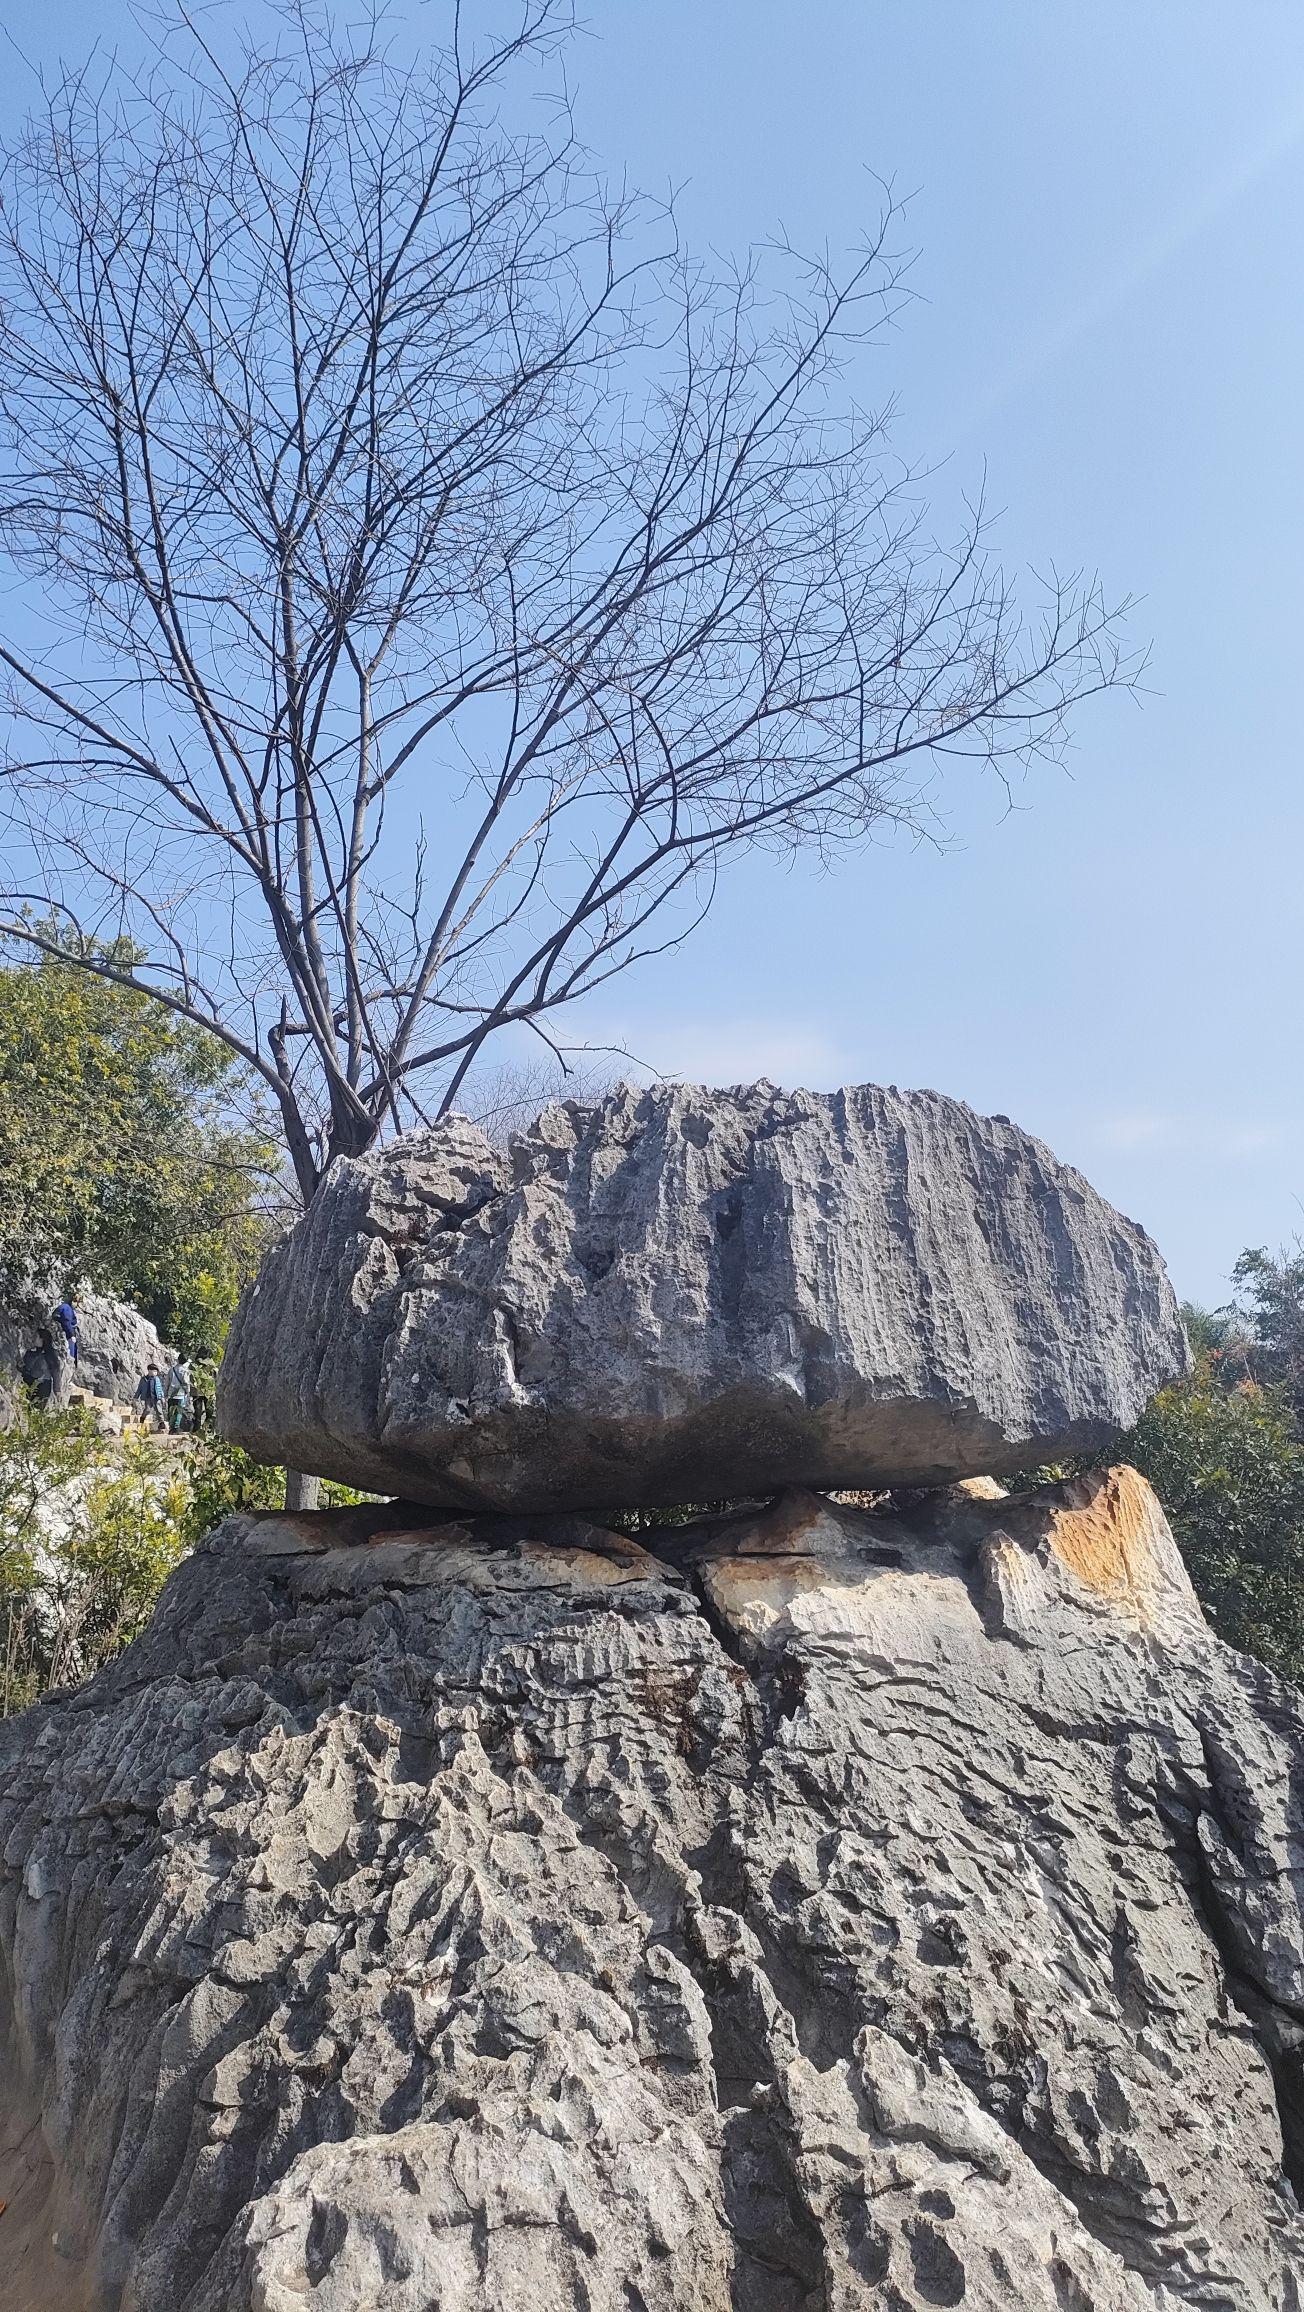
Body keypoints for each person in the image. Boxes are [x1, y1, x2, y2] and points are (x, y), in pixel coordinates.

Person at [134, 1363, 166, 1433]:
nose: (155, 1372)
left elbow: (160, 1388)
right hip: (148, 1397)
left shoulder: (157, 1379)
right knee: (147, 1409)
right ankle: (142, 1418)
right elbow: (139, 1388)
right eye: (154, 1371)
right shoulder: (144, 1379)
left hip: (156, 1397)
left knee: (159, 1410)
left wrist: (162, 1397)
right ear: (149, 1371)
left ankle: (161, 1422)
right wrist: (136, 1397)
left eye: (156, 1371)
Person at [166, 1356, 193, 1433]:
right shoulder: (185, 1371)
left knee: (171, 1411)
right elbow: (186, 1382)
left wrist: (165, 1393)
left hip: (171, 1394)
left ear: (178, 1360)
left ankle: (171, 1428)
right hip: (180, 1394)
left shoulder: (171, 1370)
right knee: (179, 1411)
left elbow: (167, 1382)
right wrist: (187, 1391)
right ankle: (176, 1427)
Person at [53, 1295, 79, 1367]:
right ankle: (71, 1368)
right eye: (77, 1303)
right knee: (70, 1356)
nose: (77, 1306)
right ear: (73, 1301)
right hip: (68, 1335)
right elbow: (66, 1321)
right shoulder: (67, 1308)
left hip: (64, 1333)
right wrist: (71, 1335)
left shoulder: (64, 1307)